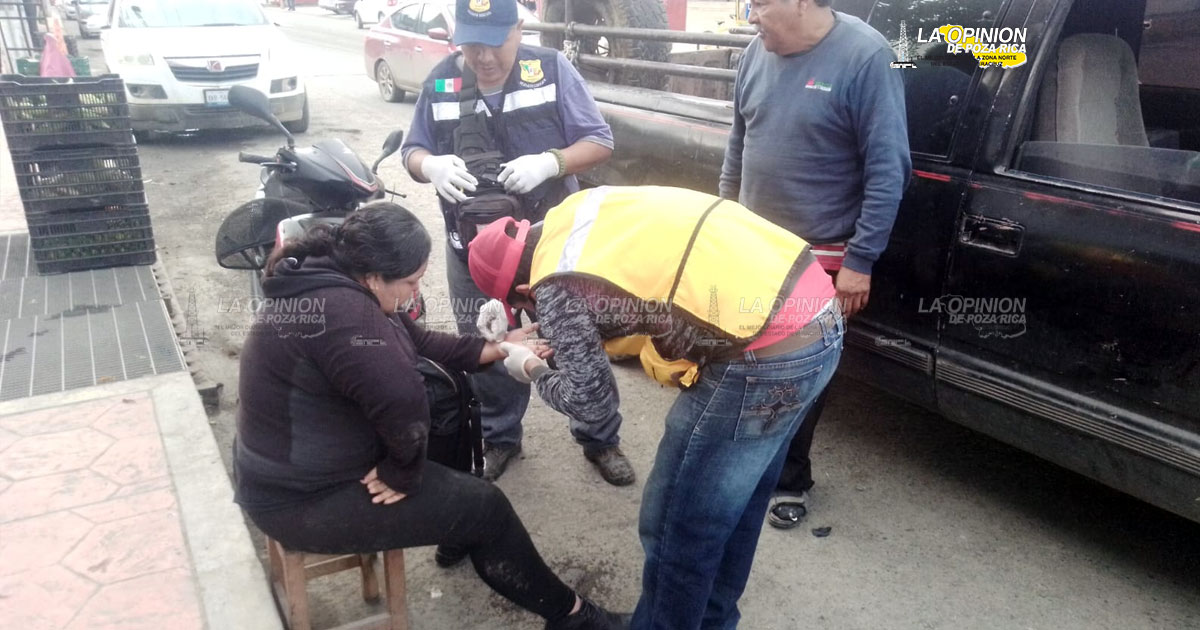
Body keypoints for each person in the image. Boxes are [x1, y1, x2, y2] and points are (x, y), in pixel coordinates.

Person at [232, 203, 628, 630]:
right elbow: (406, 405)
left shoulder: (338, 276)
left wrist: (499, 348)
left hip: (298, 463)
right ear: (374, 275)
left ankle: (454, 531)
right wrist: (400, 472)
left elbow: (419, 340)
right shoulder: (352, 317)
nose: (416, 292)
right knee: (486, 507)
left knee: (449, 446)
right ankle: (573, 618)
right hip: (302, 500)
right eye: (412, 281)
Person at [466, 186, 846, 629]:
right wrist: (551, 331)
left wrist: (530, 367)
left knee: (675, 527)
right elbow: (616, 298)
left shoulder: (552, 287)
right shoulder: (570, 218)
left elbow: (589, 402)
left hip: (763, 358)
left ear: (527, 288)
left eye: (524, 306)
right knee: (737, 506)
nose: (532, 314)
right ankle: (710, 620)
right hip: (816, 317)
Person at [400, 0, 625, 485]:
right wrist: (431, 166)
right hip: (473, 253)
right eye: (471, 43)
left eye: (495, 41)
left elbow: (600, 141)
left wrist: (550, 162)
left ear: (519, 29)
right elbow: (412, 150)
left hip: (550, 255)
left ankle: (599, 436)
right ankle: (501, 436)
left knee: (576, 344)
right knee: (487, 346)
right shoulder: (441, 81)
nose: (483, 57)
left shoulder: (549, 70)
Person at [719, 0, 911, 529]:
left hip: (821, 257)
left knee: (800, 375)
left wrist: (861, 259)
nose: (751, 17)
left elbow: (888, 168)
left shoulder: (867, 58)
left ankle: (790, 479)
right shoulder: (755, 54)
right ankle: (740, 467)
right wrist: (724, 221)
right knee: (741, 360)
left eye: (759, 3)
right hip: (753, 244)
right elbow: (738, 144)